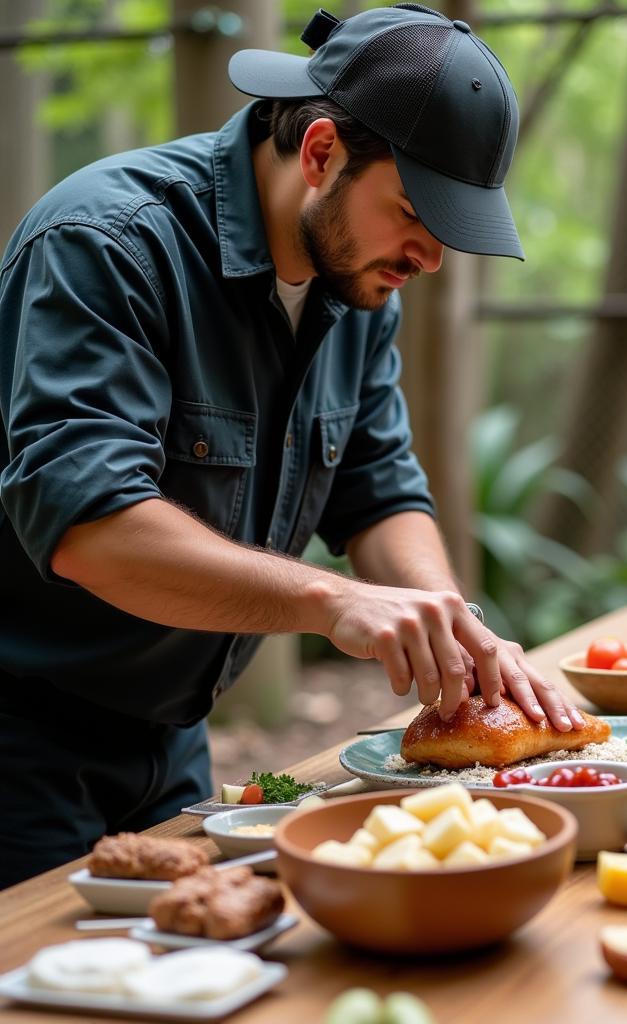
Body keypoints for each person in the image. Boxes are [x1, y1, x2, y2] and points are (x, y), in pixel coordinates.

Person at [0, 4, 584, 889]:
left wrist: (452, 624)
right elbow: (93, 529)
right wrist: (332, 601)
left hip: (174, 737)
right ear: (320, 154)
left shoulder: (358, 283)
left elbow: (380, 490)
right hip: (19, 738)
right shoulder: (104, 244)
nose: (430, 258)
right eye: (415, 211)